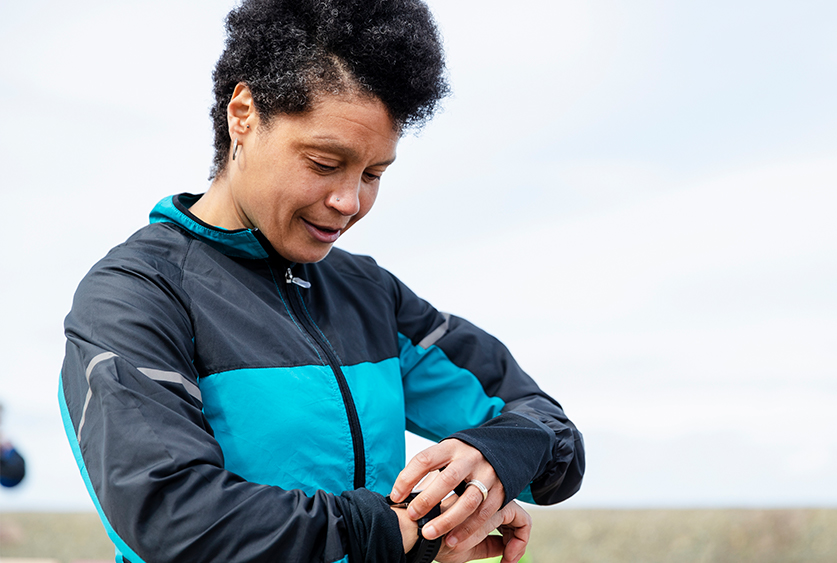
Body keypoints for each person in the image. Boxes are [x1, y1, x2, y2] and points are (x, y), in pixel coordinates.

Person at [57, 1, 585, 562]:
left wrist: (491, 463)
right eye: (325, 162)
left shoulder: (370, 293)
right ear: (244, 115)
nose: (350, 201)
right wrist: (400, 530)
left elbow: (551, 439)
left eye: (374, 174)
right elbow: (172, 518)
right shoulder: (134, 294)